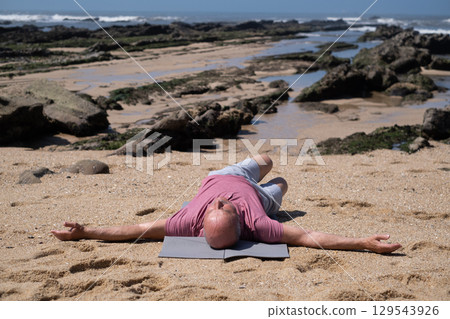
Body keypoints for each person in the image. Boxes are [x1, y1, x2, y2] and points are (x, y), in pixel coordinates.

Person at [51, 155, 402, 254]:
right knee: (281, 182)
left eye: (214, 209)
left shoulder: (186, 220)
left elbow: (135, 230)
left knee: (264, 158)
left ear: (201, 224)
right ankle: (272, 181)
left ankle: (260, 164)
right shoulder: (260, 225)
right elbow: (309, 236)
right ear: (242, 223)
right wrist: (362, 243)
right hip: (259, 196)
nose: (219, 201)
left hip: (226, 172)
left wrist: (87, 232)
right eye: (224, 208)